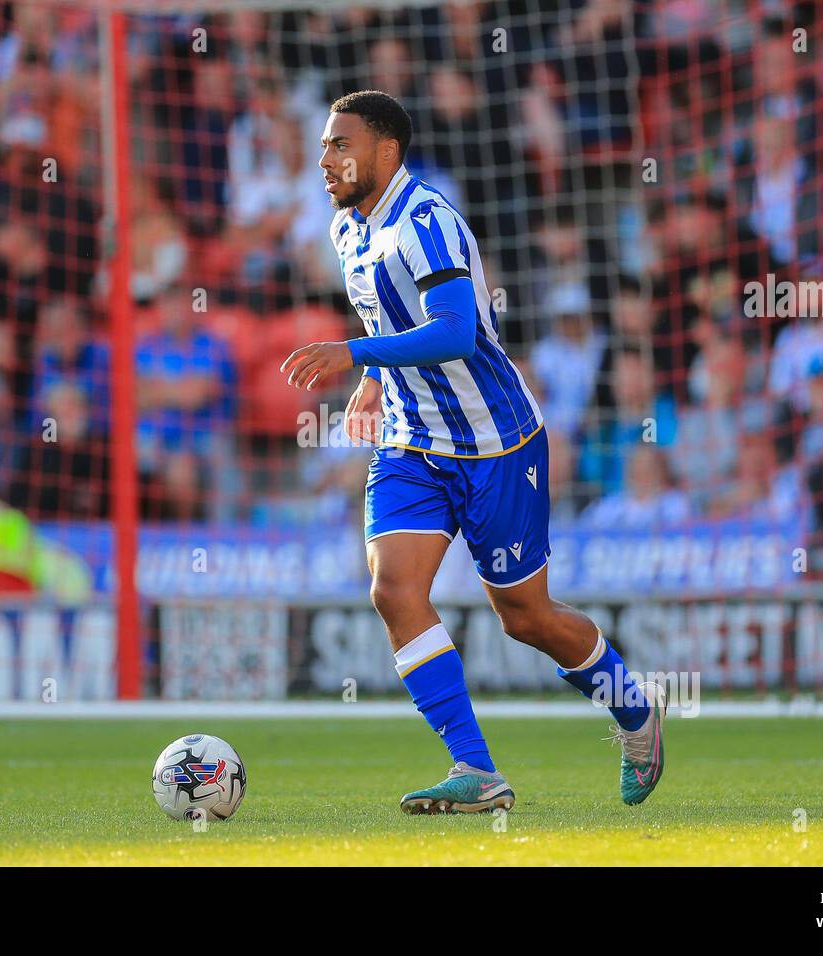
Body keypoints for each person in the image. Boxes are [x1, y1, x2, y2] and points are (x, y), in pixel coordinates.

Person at [282, 91, 666, 814]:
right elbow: (391, 314)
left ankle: (635, 712)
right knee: (393, 589)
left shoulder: (428, 224)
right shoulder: (347, 229)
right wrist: (371, 380)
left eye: (340, 144)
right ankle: (476, 768)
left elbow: (457, 332)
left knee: (526, 617)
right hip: (411, 441)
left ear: (385, 151)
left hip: (497, 443)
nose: (325, 158)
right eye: (325, 145)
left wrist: (352, 352)